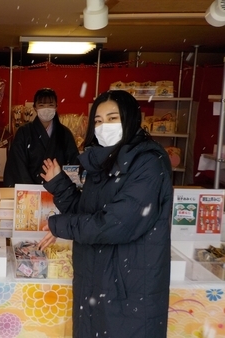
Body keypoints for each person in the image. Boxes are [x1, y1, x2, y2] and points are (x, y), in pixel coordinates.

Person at [38, 90, 173, 338]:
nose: (103, 126)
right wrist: (59, 184)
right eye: (98, 121)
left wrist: (60, 226)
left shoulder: (149, 162)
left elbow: (114, 224)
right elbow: (90, 212)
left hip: (128, 292)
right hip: (95, 281)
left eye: (112, 118)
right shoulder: (103, 159)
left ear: (131, 119)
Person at [3, 88, 80, 187]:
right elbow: (17, 165)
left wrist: (62, 188)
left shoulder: (64, 134)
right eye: (42, 105)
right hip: (29, 192)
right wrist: (30, 189)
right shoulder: (24, 133)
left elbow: (73, 164)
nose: (46, 108)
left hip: (58, 191)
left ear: (56, 107)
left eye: (50, 105)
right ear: (35, 107)